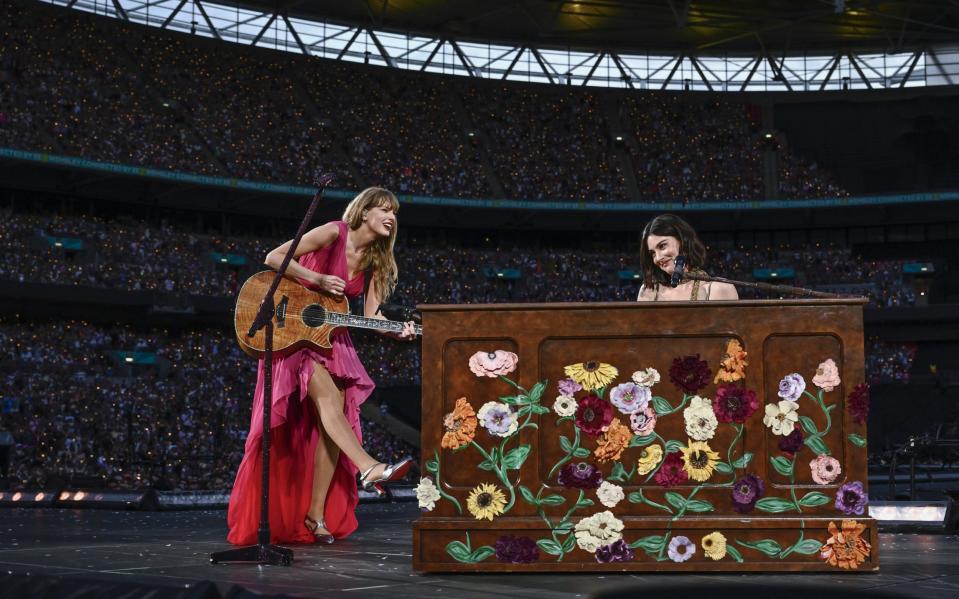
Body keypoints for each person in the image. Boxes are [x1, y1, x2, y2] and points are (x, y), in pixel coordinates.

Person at [227, 187, 417, 546]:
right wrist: (316, 279)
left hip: (333, 341)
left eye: (395, 211)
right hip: (294, 335)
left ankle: (315, 515)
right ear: (364, 212)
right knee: (330, 401)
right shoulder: (334, 231)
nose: (391, 216)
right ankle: (369, 467)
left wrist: (396, 332)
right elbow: (274, 256)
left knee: (334, 421)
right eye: (384, 209)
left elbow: (372, 317)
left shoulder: (377, 261)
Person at [636, 214, 738, 301]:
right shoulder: (649, 292)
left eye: (662, 246)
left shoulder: (719, 289)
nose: (657, 258)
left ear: (683, 240)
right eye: (652, 253)